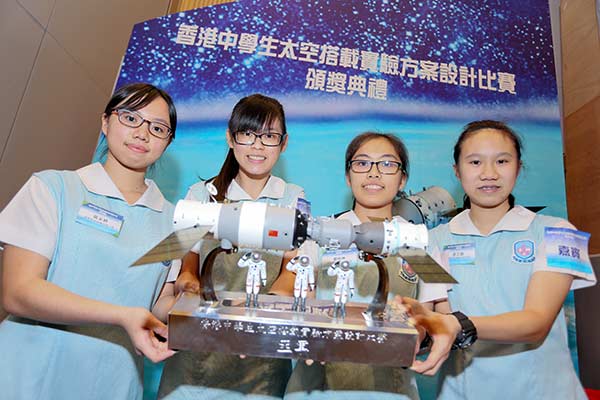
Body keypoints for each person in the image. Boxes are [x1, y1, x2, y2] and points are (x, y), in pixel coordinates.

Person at [0, 82, 178, 400]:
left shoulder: (175, 222)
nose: (142, 133)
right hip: (30, 371)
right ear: (105, 121)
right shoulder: (53, 189)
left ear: (168, 142)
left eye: (158, 127)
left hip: (114, 381)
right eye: (130, 118)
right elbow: (18, 292)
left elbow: (159, 305)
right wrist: (121, 315)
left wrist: (210, 309)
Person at [403, 120, 596, 399]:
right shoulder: (429, 243)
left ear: (518, 168)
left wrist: (457, 324)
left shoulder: (558, 232)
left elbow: (536, 322)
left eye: (502, 161)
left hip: (543, 390)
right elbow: (438, 314)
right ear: (457, 171)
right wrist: (410, 325)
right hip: (464, 390)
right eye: (475, 162)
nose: (489, 173)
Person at [155, 93, 305, 399]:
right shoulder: (201, 194)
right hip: (197, 356)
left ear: (284, 143)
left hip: (261, 358)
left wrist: (265, 308)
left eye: (269, 136)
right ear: (230, 138)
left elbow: (293, 266)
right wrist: (188, 285)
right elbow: (187, 263)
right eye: (248, 134)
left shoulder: (293, 197)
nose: (258, 145)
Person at [285, 132, 448, 400]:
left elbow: (434, 315)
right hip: (315, 387)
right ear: (348, 177)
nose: (373, 173)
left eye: (386, 164)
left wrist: (413, 335)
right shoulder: (320, 233)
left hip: (391, 388)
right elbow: (300, 302)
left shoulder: (418, 240)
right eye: (362, 163)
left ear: (403, 178)